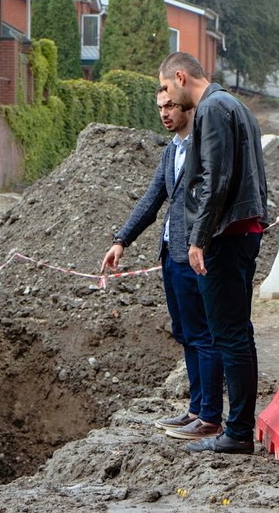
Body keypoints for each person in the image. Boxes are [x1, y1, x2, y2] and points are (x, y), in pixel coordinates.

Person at [158, 52, 269, 455]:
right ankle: (238, 428)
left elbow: (214, 181)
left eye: (166, 88)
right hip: (242, 230)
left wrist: (198, 238)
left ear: (181, 77)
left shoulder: (212, 109)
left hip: (226, 236)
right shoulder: (235, 106)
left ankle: (236, 433)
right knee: (237, 334)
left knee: (229, 336)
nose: (166, 100)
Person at [100, 88, 225, 441]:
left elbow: (214, 198)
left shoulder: (203, 147)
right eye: (159, 107)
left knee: (203, 335)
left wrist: (200, 241)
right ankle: (195, 411)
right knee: (185, 333)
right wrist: (121, 240)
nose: (164, 113)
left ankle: (210, 417)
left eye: (170, 106)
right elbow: (152, 198)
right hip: (170, 253)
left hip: (195, 254)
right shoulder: (172, 150)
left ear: (187, 105)